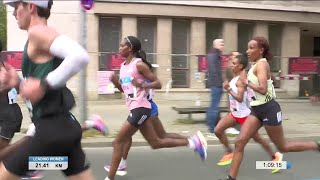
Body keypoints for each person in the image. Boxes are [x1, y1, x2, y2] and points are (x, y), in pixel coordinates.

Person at [0, 0, 95, 179]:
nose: (13, 14)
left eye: (16, 7)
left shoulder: (38, 32)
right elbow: (38, 89)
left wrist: (44, 85)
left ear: (31, 7)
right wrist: (18, 83)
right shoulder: (38, 37)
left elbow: (80, 56)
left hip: (52, 131)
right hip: (66, 127)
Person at [105, 36, 207, 180]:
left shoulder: (139, 65)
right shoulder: (123, 67)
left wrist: (142, 85)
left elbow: (158, 83)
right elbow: (125, 90)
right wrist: (116, 82)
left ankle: (111, 176)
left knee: (118, 141)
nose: (119, 48)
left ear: (130, 48)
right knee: (156, 143)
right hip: (136, 108)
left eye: (122, 46)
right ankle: (193, 142)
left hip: (141, 108)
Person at [221, 36, 320, 180]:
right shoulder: (255, 65)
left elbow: (262, 89)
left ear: (261, 50)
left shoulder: (262, 64)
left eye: (251, 48)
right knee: (240, 142)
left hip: (269, 109)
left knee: (283, 147)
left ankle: (316, 146)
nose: (248, 51)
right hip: (256, 110)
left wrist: (246, 82)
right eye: (247, 48)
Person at [214, 54, 282, 173]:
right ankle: (230, 152)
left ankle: (275, 157)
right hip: (235, 114)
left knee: (258, 139)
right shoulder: (237, 76)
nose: (231, 65)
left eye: (234, 64)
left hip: (245, 116)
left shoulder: (241, 79)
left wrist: (228, 89)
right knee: (217, 130)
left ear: (240, 66)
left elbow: (240, 98)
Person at [206, 39, 224, 136]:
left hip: (216, 83)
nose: (223, 45)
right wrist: (219, 84)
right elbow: (213, 71)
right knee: (214, 106)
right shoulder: (213, 55)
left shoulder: (215, 54)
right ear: (216, 45)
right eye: (221, 44)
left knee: (214, 106)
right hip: (216, 84)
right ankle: (212, 128)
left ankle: (213, 126)